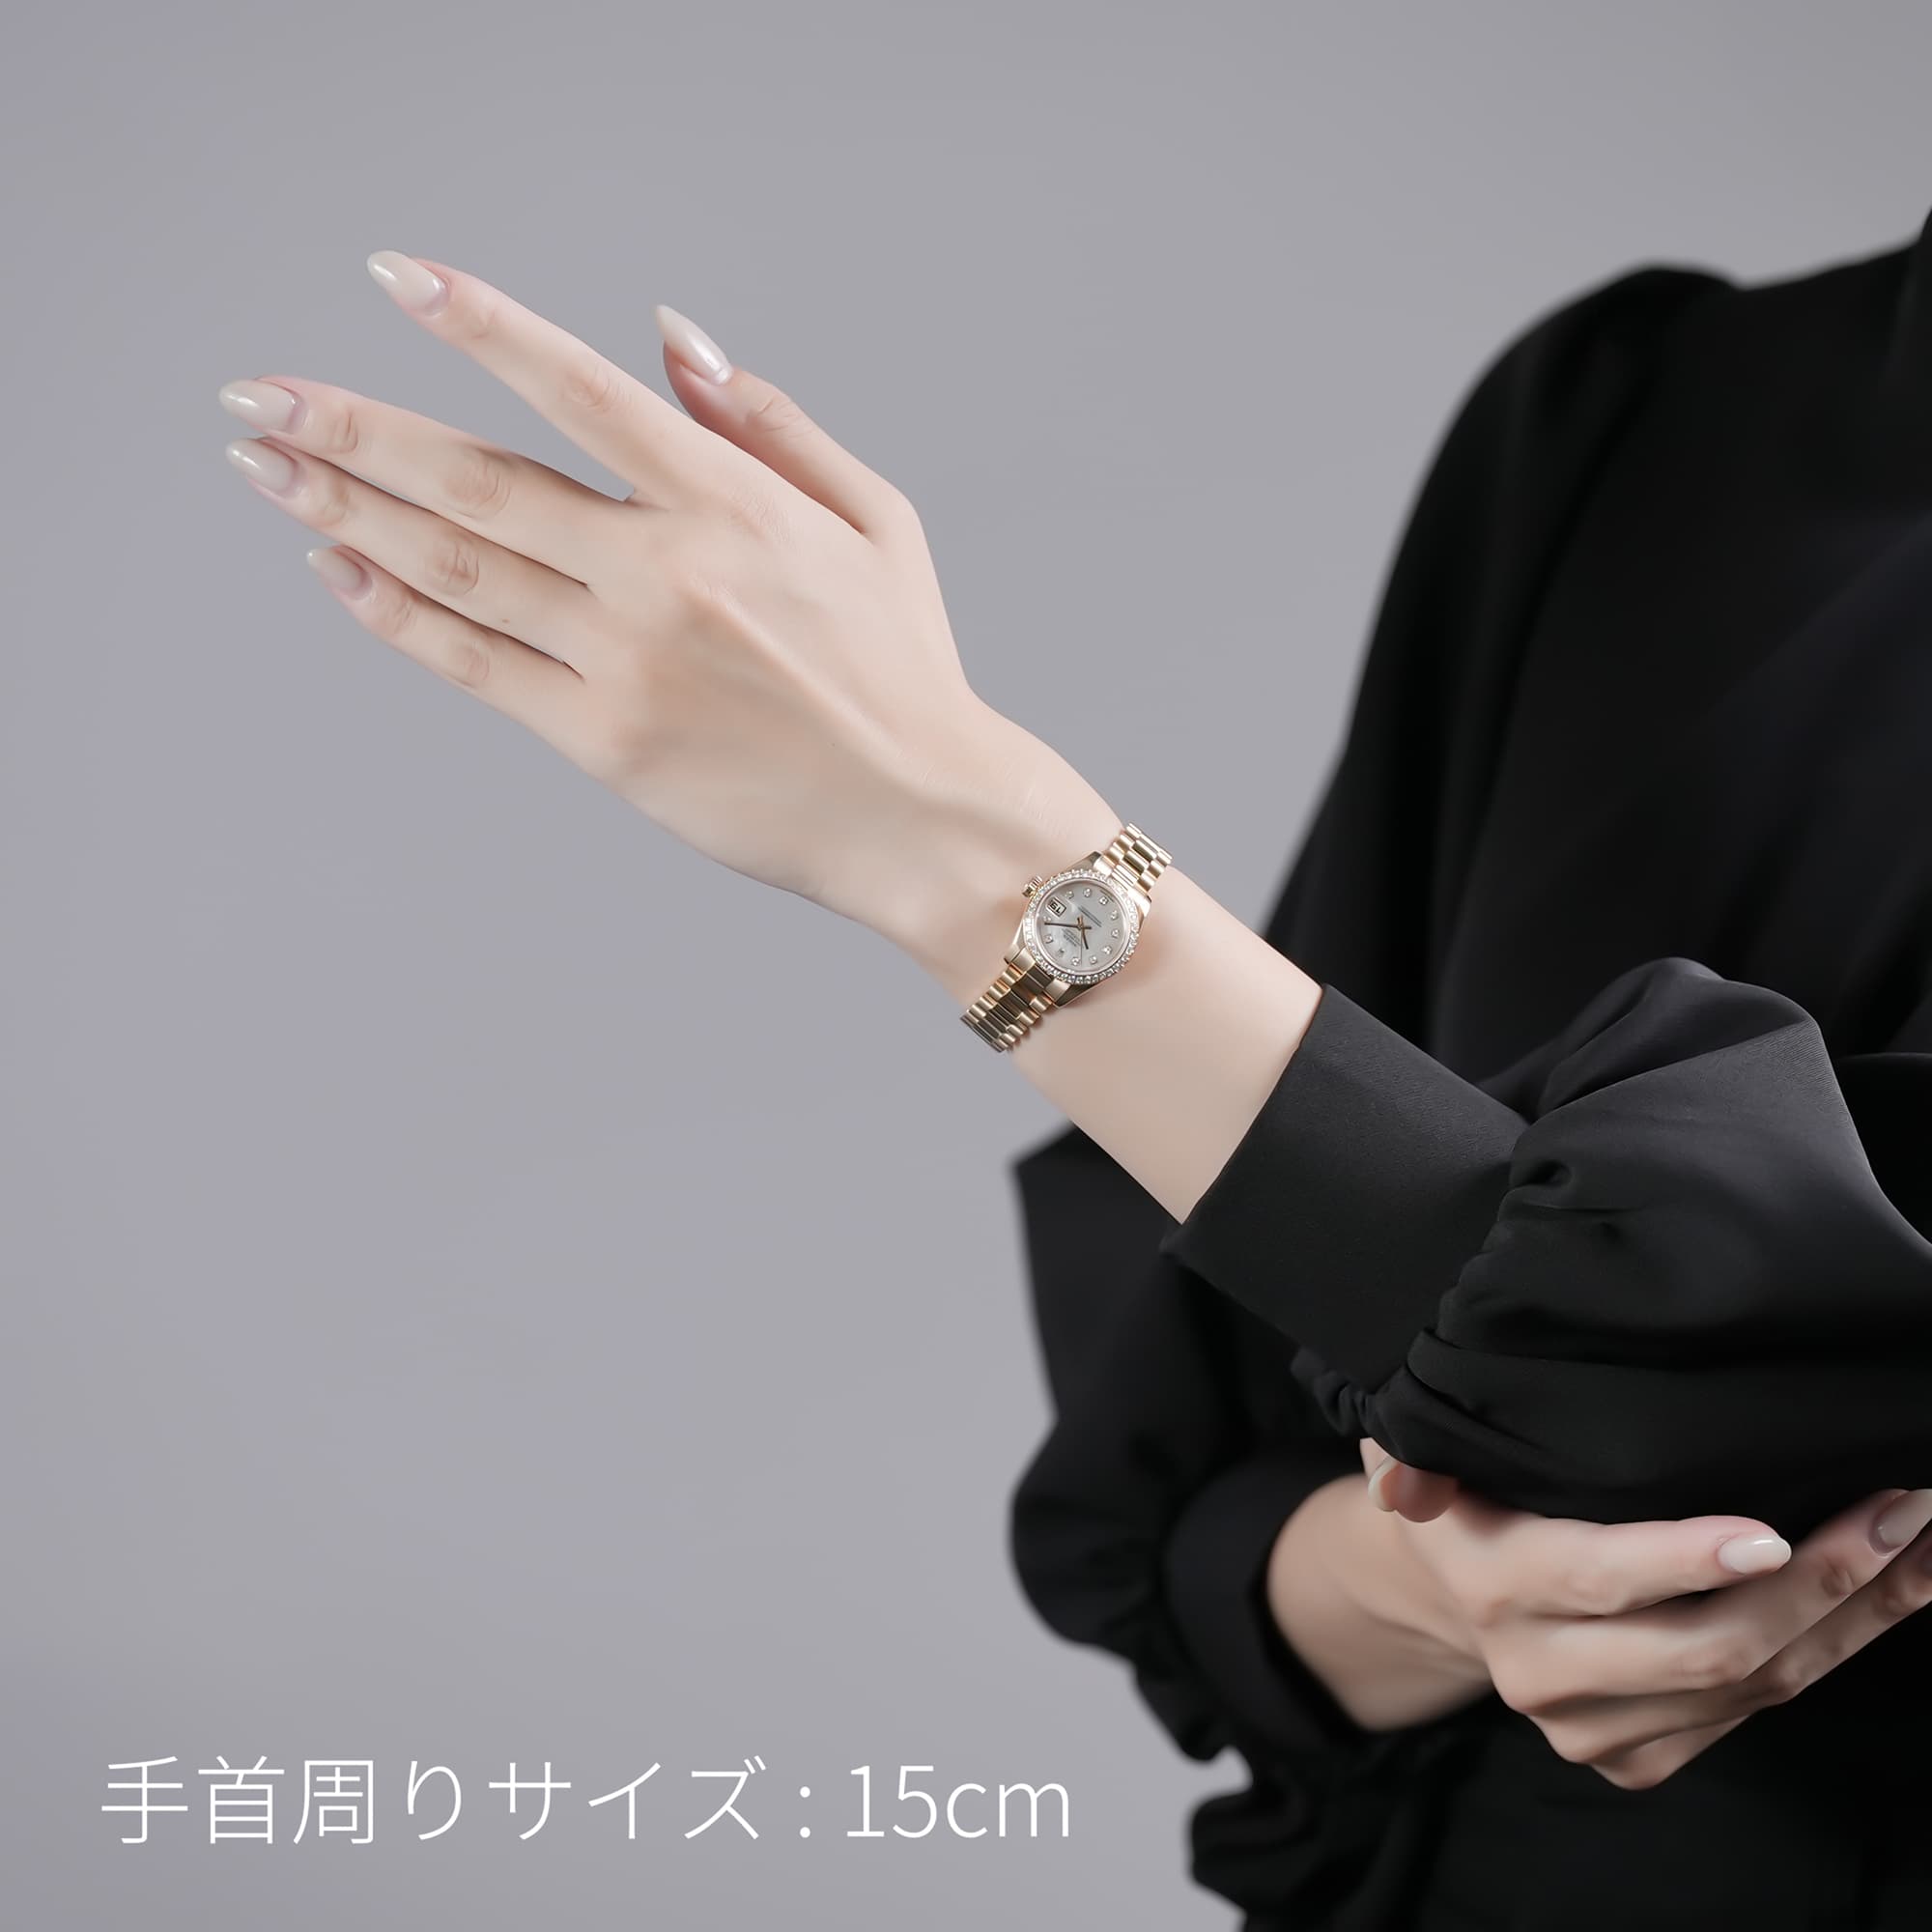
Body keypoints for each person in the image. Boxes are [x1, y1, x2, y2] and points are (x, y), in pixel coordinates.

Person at [214, 227, 1932, 1929]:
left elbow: (1745, 1421)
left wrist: (964, 842)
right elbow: (1206, 1477)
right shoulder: (1639, 413)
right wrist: (1426, 1589)